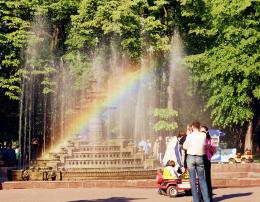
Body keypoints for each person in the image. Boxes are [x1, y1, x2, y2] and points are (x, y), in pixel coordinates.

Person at [183, 121, 210, 202]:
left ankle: (196, 200)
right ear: (199, 126)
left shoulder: (189, 136)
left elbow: (184, 146)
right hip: (200, 158)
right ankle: (207, 200)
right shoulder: (203, 135)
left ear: (192, 127)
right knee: (202, 179)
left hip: (190, 158)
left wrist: (188, 134)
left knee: (192, 180)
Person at [201, 125, 216, 202]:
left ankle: (209, 198)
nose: (202, 133)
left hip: (207, 159)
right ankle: (201, 198)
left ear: (206, 132)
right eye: (201, 131)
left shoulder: (210, 139)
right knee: (200, 179)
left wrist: (208, 146)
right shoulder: (198, 139)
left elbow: (214, 150)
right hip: (199, 159)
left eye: (203, 131)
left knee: (207, 179)